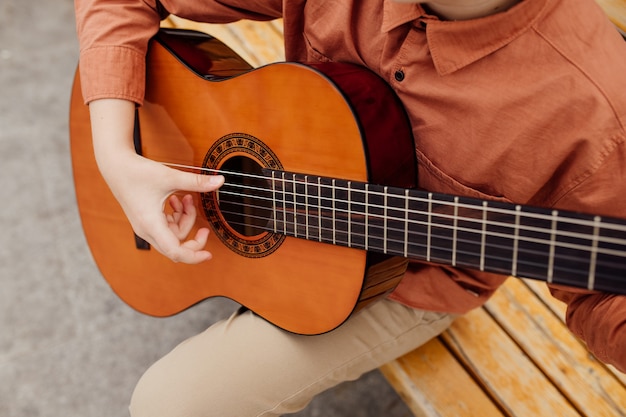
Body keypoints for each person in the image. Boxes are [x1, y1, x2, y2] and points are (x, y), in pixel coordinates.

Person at [73, 0, 626, 415]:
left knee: (169, 402)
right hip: (282, 175)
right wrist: (116, 155)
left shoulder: (598, 105)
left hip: (407, 278)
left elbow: (604, 298)